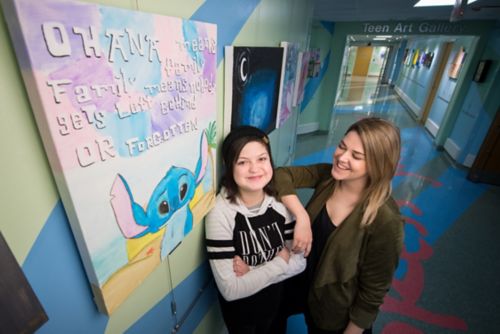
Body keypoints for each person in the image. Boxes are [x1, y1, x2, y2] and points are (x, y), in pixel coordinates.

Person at [275, 117, 404, 334]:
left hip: (334, 312)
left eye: (356, 156)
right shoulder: (329, 177)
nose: (341, 157)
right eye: (342, 146)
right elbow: (280, 175)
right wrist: (302, 217)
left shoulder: (386, 220)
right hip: (301, 284)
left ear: (377, 164)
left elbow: (373, 292)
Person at [205, 125, 306, 334]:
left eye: (262, 159)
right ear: (229, 166)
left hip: (274, 301)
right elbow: (231, 290)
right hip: (241, 313)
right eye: (243, 162)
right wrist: (280, 261)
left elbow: (299, 263)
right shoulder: (220, 213)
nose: (255, 169)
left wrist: (251, 271)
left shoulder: (281, 203)